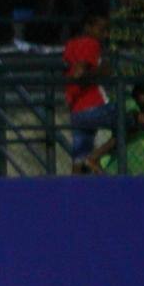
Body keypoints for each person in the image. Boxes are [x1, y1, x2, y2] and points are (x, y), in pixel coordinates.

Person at [63, 12, 119, 173]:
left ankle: (75, 194)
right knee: (131, 118)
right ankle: (95, 157)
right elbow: (78, 75)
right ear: (88, 27)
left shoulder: (71, 44)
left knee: (78, 158)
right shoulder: (90, 43)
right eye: (102, 30)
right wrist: (103, 70)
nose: (105, 35)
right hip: (93, 106)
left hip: (76, 111)